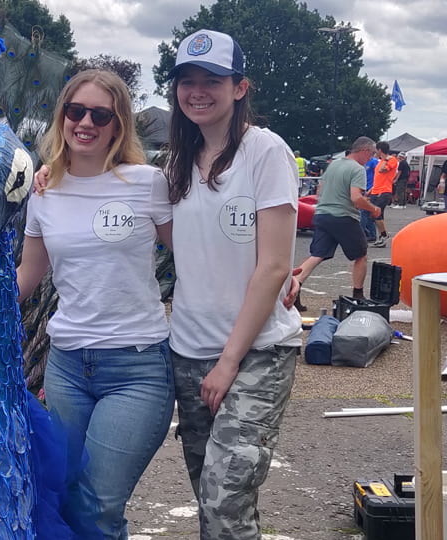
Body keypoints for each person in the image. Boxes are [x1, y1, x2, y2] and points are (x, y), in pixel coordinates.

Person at [15, 69, 174, 538]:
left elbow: (191, 252)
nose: (85, 122)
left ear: (118, 124)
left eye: (100, 114)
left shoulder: (147, 183)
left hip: (137, 367)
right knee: (66, 498)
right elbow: (28, 275)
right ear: (61, 115)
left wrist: (267, 273)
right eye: (75, 110)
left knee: (99, 505)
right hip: (66, 367)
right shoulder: (44, 192)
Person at [164, 29, 303, 539]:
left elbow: (273, 267)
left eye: (212, 81)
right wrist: (52, 175)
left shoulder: (265, 151)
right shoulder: (178, 159)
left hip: (256, 352)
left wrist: (228, 361)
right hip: (189, 350)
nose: (197, 91)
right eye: (187, 81)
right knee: (210, 494)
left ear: (240, 88)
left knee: (226, 496)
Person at [294, 137, 382, 304]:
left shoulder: (334, 164)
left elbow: (320, 189)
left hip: (322, 214)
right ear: (364, 150)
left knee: (317, 255)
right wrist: (373, 208)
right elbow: (356, 197)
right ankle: (358, 295)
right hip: (343, 216)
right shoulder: (357, 169)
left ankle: (295, 285)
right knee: (361, 255)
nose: (371, 158)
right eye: (371, 154)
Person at [367, 141, 397, 247]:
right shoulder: (381, 161)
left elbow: (382, 170)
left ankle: (384, 235)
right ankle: (381, 236)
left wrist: (385, 160)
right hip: (376, 191)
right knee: (377, 215)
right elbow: (377, 178)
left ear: (379, 150)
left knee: (377, 214)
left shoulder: (391, 160)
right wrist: (370, 190)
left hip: (384, 191)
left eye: (376, 150)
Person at [360, 152, 379, 242]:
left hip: (370, 190)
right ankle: (369, 233)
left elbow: (378, 176)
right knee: (364, 213)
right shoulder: (363, 162)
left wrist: (372, 189)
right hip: (363, 188)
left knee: (364, 212)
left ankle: (367, 234)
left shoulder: (374, 161)